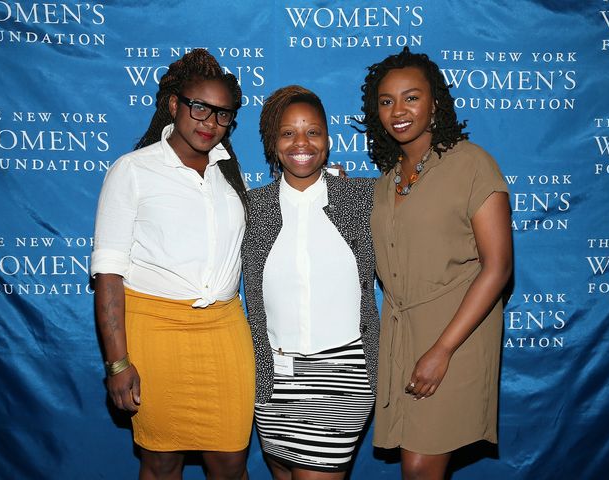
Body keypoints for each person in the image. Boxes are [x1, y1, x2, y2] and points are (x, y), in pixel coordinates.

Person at [91, 49, 254, 480]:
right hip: (155, 333)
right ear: (174, 105)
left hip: (224, 331)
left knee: (232, 462)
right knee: (161, 461)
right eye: (200, 107)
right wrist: (118, 363)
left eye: (223, 115)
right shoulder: (132, 170)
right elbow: (108, 272)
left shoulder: (229, 176)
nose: (210, 123)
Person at [360, 48, 513, 479]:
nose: (398, 110)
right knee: (417, 462)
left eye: (411, 97)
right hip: (402, 333)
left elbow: (498, 267)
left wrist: (443, 350)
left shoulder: (472, 164)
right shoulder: (389, 178)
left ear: (436, 103)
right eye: (386, 101)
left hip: (455, 333)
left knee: (421, 465)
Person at [241, 85, 380, 480]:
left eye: (313, 132)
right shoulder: (253, 207)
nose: (301, 142)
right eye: (288, 133)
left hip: (343, 374)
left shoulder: (362, 198)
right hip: (272, 377)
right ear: (273, 143)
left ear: (329, 140)